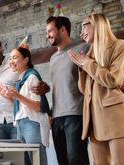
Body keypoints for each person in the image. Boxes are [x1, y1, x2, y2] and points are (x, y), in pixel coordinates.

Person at [68, 13, 124, 164]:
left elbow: (112, 80)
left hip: (115, 118)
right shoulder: (89, 53)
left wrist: (87, 64)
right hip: (93, 119)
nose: (81, 33)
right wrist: (82, 66)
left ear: (98, 24)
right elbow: (83, 90)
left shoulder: (120, 46)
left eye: (84, 26)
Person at [38, 16, 90, 165]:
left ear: (62, 29)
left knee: (76, 159)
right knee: (62, 160)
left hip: (75, 114)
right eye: (46, 32)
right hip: (56, 117)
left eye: (50, 31)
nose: (47, 35)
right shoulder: (53, 58)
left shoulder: (83, 48)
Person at [0, 37, 50, 165]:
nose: (11, 61)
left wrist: (17, 96)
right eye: (10, 58)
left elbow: (38, 106)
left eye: (15, 57)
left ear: (26, 60)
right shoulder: (20, 79)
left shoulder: (32, 76)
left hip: (31, 123)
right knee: (25, 162)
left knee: (36, 160)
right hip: (21, 124)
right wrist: (8, 95)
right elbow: (22, 105)